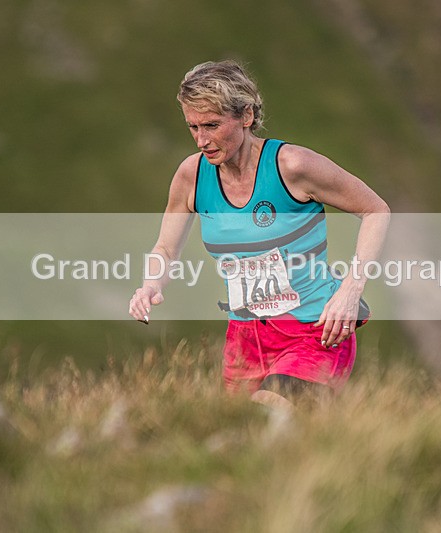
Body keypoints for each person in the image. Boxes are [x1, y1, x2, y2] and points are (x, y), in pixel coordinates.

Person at [129, 60, 390, 408]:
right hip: (244, 340)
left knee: (269, 414)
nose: (202, 140)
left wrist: (350, 290)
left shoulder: (293, 166)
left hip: (315, 330)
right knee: (246, 446)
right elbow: (165, 247)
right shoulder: (192, 175)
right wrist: (151, 285)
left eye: (212, 125)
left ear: (247, 116)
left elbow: (376, 210)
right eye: (193, 127)